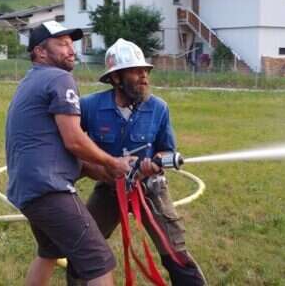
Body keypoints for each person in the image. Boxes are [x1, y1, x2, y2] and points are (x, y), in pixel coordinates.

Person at [69, 38, 207, 285]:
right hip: (109, 190)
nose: (144, 76)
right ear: (116, 78)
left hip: (150, 190)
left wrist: (153, 164)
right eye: (136, 71)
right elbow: (73, 145)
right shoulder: (89, 107)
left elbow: (167, 151)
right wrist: (99, 169)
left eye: (146, 70)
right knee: (83, 250)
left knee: (176, 252)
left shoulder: (158, 108)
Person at [5, 21, 133, 286]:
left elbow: (54, 146)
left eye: (71, 44)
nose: (71, 50)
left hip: (28, 189)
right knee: (100, 262)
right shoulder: (59, 78)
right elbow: (74, 140)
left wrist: (101, 170)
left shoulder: (29, 81)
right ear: (40, 52)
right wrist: (113, 162)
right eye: (62, 44)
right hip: (49, 189)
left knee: (49, 252)